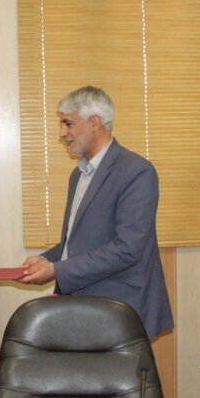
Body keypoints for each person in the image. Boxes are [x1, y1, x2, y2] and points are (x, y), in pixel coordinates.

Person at [19, 86, 174, 340]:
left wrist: (58, 271)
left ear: (94, 123)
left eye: (68, 123)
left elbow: (128, 248)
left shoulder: (136, 171)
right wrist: (46, 261)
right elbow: (78, 241)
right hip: (83, 307)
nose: (62, 134)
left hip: (120, 311)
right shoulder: (78, 174)